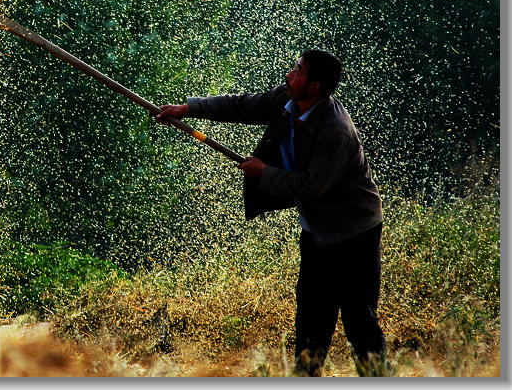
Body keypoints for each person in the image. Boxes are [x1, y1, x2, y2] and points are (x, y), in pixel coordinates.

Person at [155, 49, 386, 376]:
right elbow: (241, 105)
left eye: (298, 70)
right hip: (318, 232)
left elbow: (311, 186)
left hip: (354, 235)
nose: (290, 75)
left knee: (358, 320)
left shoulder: (335, 131)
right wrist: (189, 108)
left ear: (314, 87)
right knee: (311, 317)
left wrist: (264, 173)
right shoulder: (288, 99)